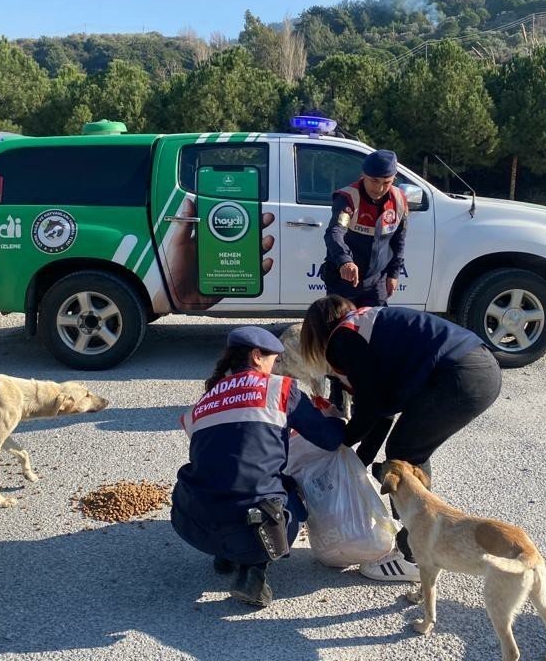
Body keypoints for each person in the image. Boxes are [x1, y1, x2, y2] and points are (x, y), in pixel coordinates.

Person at [300, 295, 502, 582]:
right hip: (479, 368)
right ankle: (423, 544)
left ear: (316, 331)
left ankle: (412, 557)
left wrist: (342, 440)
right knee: (410, 450)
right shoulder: (364, 325)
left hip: (460, 376)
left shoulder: (343, 338)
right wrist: (357, 462)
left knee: (404, 453)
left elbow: (371, 405)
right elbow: (383, 411)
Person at [171, 326, 344, 608]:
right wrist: (334, 416)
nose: (276, 368)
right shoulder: (280, 388)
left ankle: (225, 554)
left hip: (192, 523)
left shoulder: (203, 402)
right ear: (256, 356)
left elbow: (227, 451)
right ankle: (254, 571)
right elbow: (329, 439)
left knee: (226, 478)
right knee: (291, 493)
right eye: (274, 360)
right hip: (255, 529)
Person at [321, 149, 408, 308]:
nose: (380, 188)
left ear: (394, 179)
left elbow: (399, 240)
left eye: (386, 182)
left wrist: (394, 274)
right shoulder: (348, 198)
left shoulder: (399, 200)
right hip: (344, 279)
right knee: (340, 329)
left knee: (375, 329)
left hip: (376, 283)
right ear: (364, 175)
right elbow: (335, 232)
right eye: (374, 181)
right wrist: (345, 261)